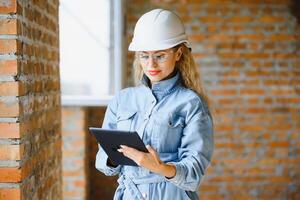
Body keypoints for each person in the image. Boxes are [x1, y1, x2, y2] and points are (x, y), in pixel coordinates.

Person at [95, 8, 214, 200]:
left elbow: (193, 174)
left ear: (178, 54)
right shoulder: (122, 100)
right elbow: (102, 162)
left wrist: (158, 167)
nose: (151, 65)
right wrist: (115, 155)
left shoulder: (191, 103)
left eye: (160, 56)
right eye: (144, 55)